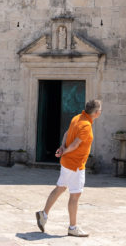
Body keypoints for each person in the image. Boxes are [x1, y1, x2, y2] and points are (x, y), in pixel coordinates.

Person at [35, 99, 102, 238]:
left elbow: (66, 133)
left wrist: (61, 147)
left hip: (67, 163)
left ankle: (44, 214)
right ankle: (72, 227)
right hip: (76, 165)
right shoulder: (86, 126)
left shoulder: (77, 117)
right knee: (75, 195)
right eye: (100, 110)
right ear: (96, 112)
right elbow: (76, 144)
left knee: (60, 188)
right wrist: (64, 150)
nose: (100, 112)